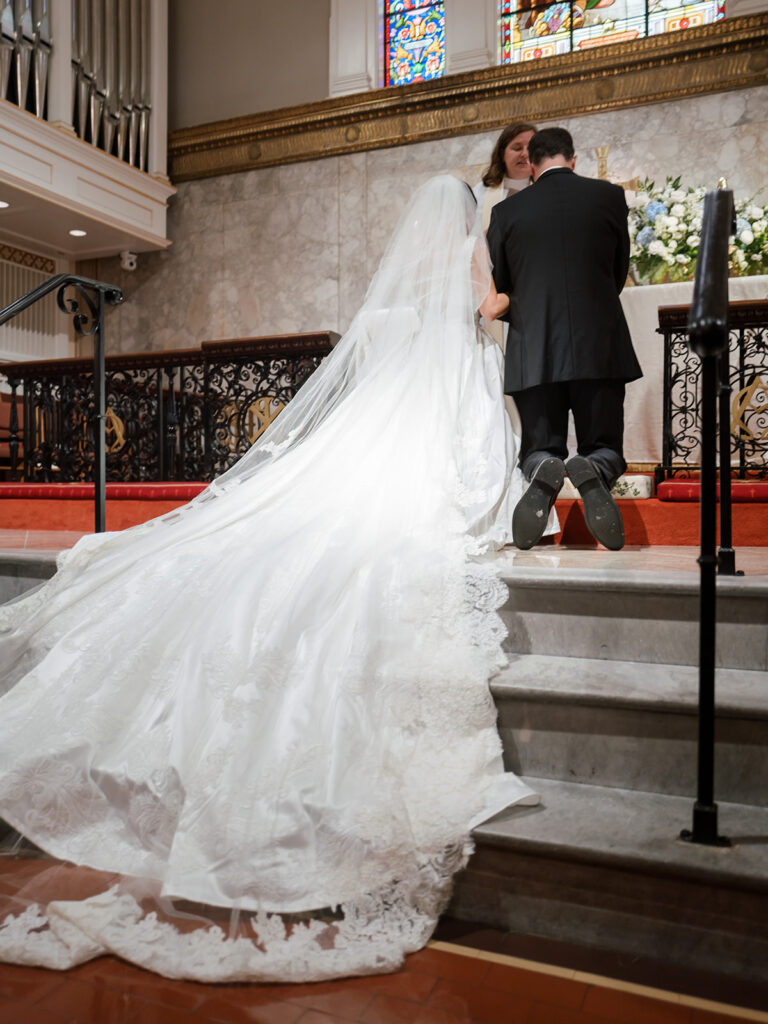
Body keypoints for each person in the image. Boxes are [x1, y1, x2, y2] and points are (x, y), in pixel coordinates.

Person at [0, 176, 538, 983]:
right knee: (451, 471)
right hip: (455, 371)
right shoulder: (471, 251)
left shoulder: (409, 273)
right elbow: (486, 308)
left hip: (404, 390)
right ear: (468, 216)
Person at [487, 127, 642, 551]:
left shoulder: (507, 214)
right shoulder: (609, 197)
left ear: (533, 167)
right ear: (573, 160)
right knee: (604, 440)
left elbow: (501, 283)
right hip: (599, 342)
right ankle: (595, 466)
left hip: (534, 347)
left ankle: (543, 469)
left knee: (540, 443)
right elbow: (617, 270)